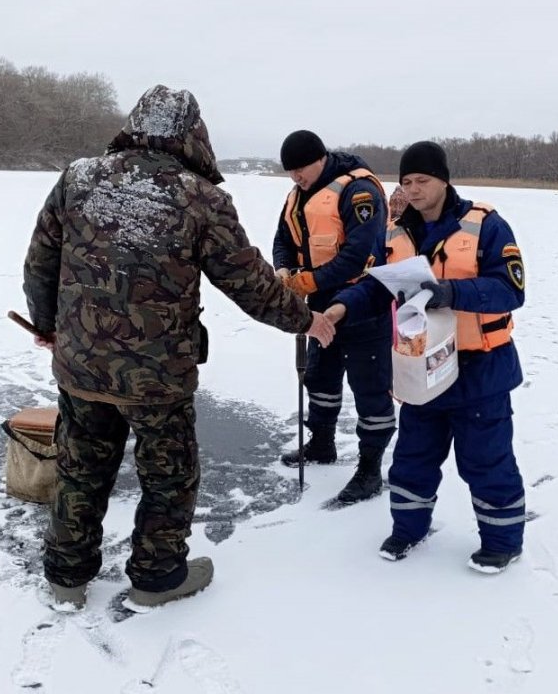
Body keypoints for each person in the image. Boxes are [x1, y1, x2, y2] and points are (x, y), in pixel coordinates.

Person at [22, 86, 335, 612]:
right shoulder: (200, 197)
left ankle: (66, 575)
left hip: (81, 365)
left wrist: (48, 324)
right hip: (156, 376)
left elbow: (39, 263)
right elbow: (248, 282)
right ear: (193, 133)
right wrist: (307, 319)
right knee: (168, 473)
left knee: (81, 466)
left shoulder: (78, 177)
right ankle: (157, 575)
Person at [324, 141, 527, 573]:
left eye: (423, 180)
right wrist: (343, 305)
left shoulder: (486, 226)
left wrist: (450, 292)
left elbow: (511, 290)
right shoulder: (396, 232)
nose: (414, 189)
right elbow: (379, 285)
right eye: (408, 181)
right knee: (412, 459)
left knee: (487, 463)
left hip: (480, 372)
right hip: (422, 370)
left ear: (444, 180)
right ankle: (408, 530)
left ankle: (502, 541)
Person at [272, 130, 396, 504]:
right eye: (290, 171)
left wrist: (307, 280)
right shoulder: (297, 196)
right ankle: (322, 443)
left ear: (320, 158)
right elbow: (283, 239)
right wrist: (283, 270)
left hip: (363, 305)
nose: (296, 177)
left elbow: (358, 255)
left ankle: (370, 468)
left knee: (370, 390)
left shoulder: (359, 192)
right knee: (320, 377)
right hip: (320, 306)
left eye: (300, 169)